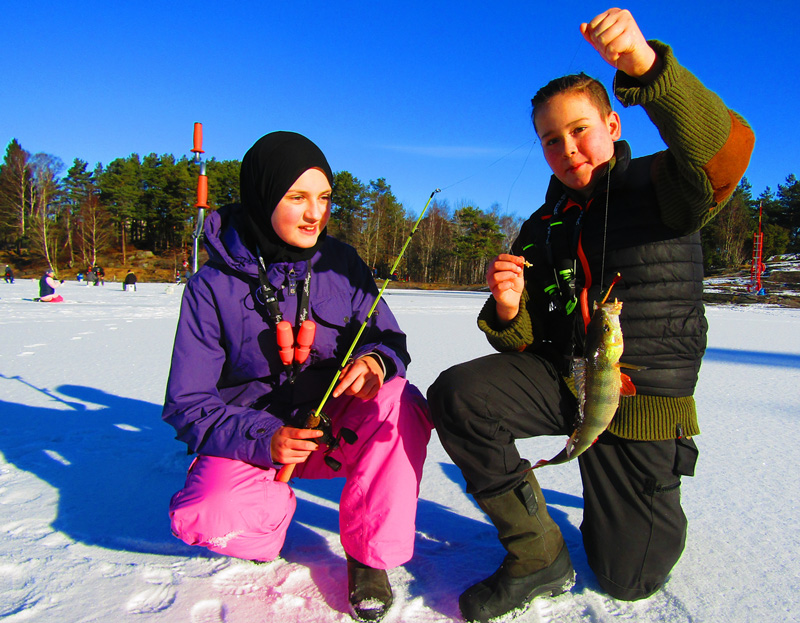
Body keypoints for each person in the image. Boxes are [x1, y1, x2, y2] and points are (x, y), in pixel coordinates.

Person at [427, 8, 754, 622]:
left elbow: (728, 150)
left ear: (611, 121)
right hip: (568, 382)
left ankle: (643, 493)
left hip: (642, 400)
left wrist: (646, 67)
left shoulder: (664, 188)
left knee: (628, 577)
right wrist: (507, 310)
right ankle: (538, 554)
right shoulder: (540, 226)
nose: (567, 147)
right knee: (459, 394)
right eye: (551, 138)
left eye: (579, 129)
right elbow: (524, 340)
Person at [162, 131, 432, 622]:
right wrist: (265, 438)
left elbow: (389, 339)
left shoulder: (341, 264)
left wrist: (375, 361)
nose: (315, 213)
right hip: (259, 442)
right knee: (208, 514)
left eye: (325, 198)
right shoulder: (209, 288)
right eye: (298, 197)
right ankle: (266, 513)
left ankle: (369, 556)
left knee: (401, 399)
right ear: (264, 196)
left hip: (334, 432)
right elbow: (187, 403)